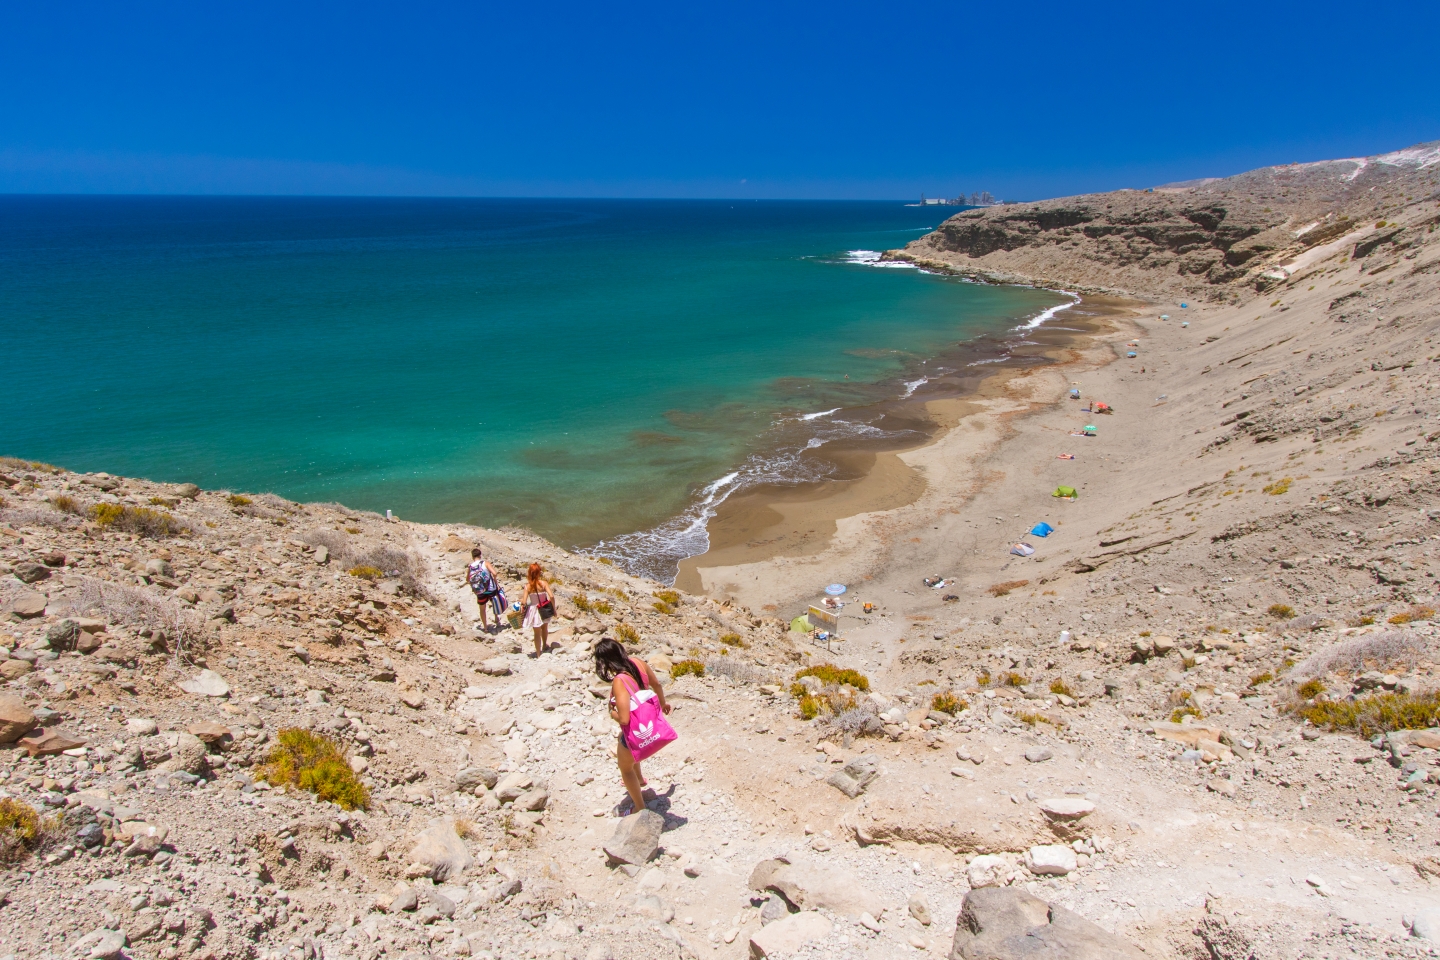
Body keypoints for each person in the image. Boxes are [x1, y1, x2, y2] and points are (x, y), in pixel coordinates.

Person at [594, 636, 670, 815]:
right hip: (648, 721)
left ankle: (639, 807)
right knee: (626, 742)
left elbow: (624, 719)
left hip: (636, 727)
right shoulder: (638, 662)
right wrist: (663, 704)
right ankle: (641, 779)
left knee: (624, 766)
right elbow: (657, 684)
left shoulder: (620, 680)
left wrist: (611, 712)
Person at [521, 562, 555, 656]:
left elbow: (524, 601)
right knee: (545, 628)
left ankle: (538, 653)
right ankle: (544, 645)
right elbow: (551, 596)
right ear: (538, 572)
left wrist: (521, 605)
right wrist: (554, 609)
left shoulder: (527, 586)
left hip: (533, 610)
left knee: (536, 632)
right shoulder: (544, 584)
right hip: (544, 608)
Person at [464, 548, 502, 633]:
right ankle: (496, 618)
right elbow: (495, 573)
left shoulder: (471, 567)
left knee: (482, 608)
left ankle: (485, 628)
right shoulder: (485, 563)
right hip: (490, 588)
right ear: (480, 555)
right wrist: (495, 582)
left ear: (472, 556)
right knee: (494, 603)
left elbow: (468, 579)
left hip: (479, 590)